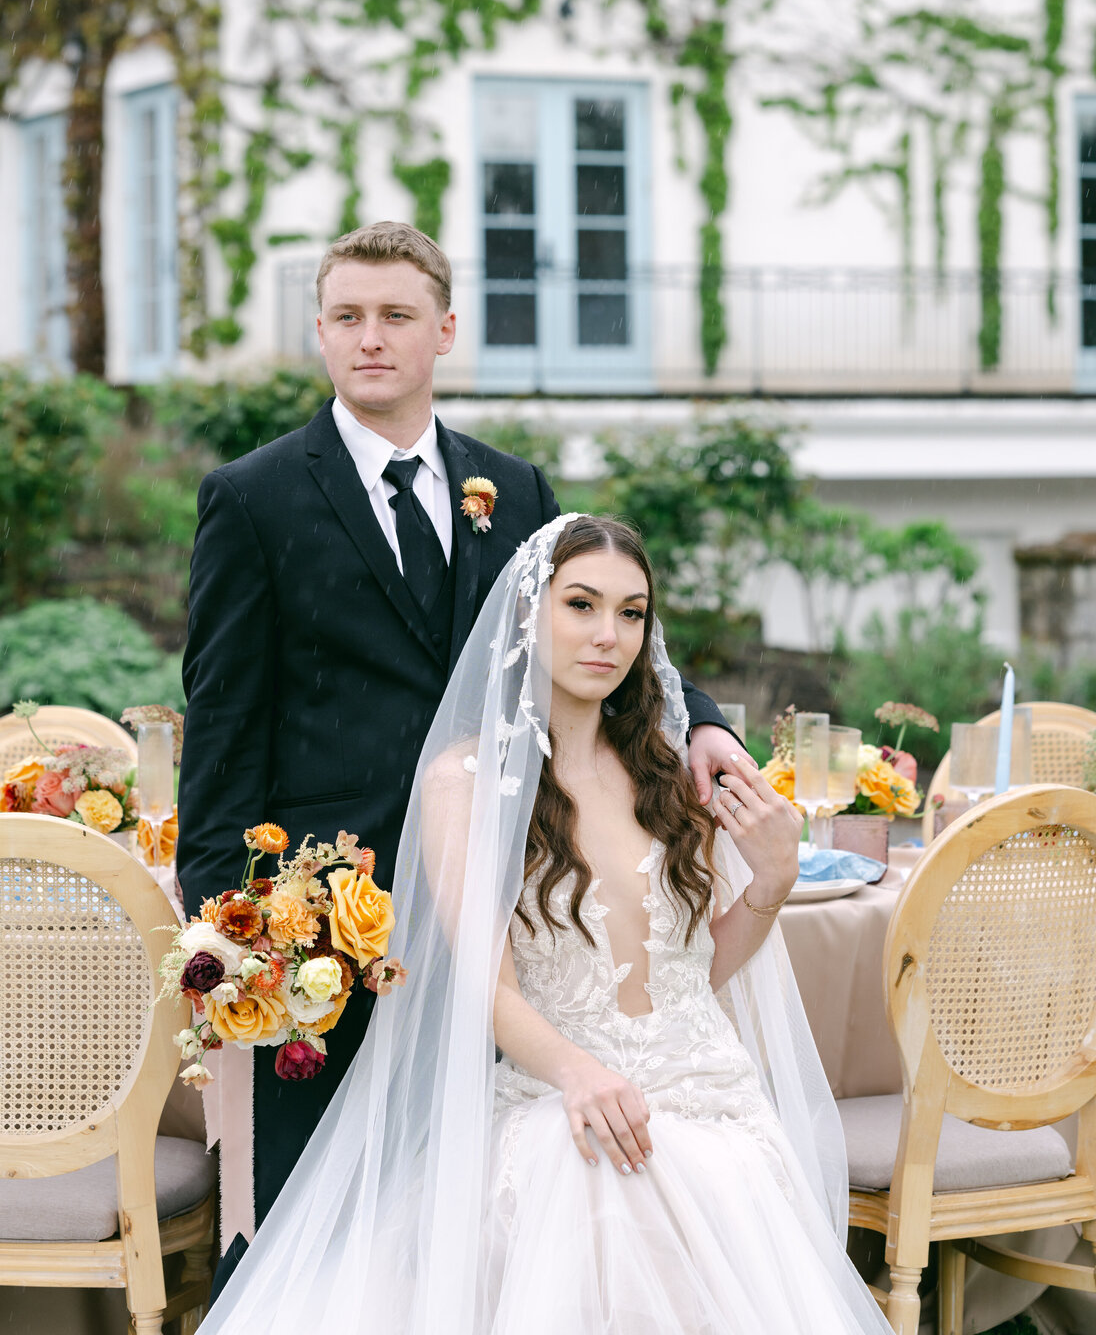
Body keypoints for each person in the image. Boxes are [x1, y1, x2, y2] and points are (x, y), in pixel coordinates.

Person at [176, 222, 747, 1257]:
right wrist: (228, 929)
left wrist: (700, 718)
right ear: (320, 332)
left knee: (484, 1213)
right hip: (330, 923)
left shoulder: (513, 489)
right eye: (347, 317)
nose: (371, 338)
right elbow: (220, 721)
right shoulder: (251, 498)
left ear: (445, 330)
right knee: (317, 1219)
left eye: (396, 316)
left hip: (506, 901)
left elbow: (593, 620)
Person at [200, 514, 892, 1335]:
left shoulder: (669, 773)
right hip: (562, 1092)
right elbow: (483, 990)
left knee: (714, 1199)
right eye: (582, 605)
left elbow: (685, 976)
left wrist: (773, 881)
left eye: (631, 613)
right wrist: (580, 1074)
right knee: (600, 1191)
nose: (609, 635)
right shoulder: (468, 782)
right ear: (530, 614)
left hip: (709, 1095)